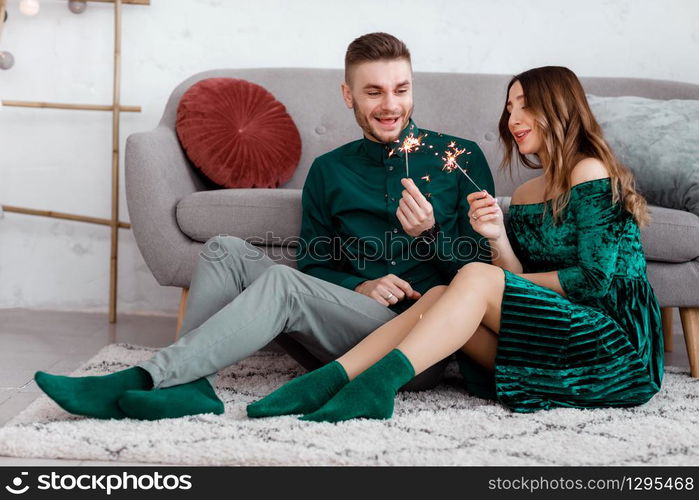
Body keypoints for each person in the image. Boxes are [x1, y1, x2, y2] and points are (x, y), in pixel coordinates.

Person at [33, 32, 494, 420]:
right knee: (223, 249)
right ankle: (191, 386)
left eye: (401, 89)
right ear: (347, 95)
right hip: (339, 328)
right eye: (374, 92)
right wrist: (359, 286)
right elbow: (315, 263)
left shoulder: (461, 158)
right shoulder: (330, 170)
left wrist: (431, 237)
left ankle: (149, 376)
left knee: (281, 282)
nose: (390, 104)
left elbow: (484, 275)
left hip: (415, 345)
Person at [247, 66, 664, 422]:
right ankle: (335, 378)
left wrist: (487, 278)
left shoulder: (589, 171)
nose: (513, 119)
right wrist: (497, 237)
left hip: (612, 344)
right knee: (444, 292)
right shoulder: (524, 194)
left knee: (472, 276)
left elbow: (593, 280)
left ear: (558, 110)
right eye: (509, 108)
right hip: (551, 334)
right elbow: (513, 282)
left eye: (525, 106)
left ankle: (376, 383)